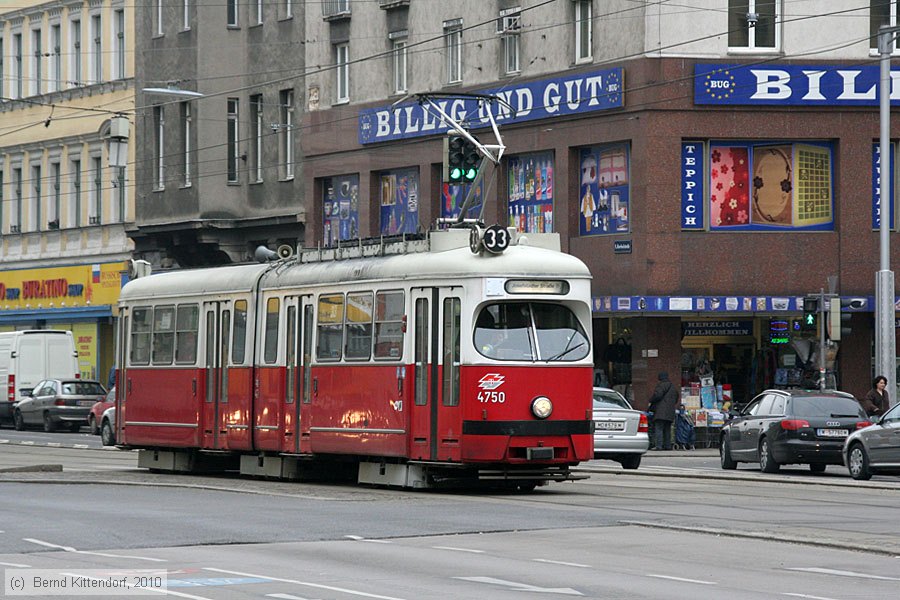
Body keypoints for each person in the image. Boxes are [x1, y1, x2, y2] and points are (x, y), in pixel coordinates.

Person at [649, 371, 679, 450]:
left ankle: (659, 446)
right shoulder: (673, 387)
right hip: (670, 412)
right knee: (667, 429)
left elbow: (657, 396)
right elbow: (676, 398)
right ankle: (667, 446)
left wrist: (651, 400)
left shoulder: (661, 386)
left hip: (660, 412)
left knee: (658, 428)